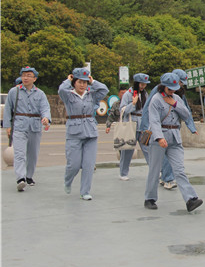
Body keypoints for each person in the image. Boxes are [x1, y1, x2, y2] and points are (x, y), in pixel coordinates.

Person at [143, 73, 203, 212]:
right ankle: (150, 198)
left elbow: (186, 115)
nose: (172, 91)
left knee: (179, 169)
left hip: (175, 137)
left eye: (174, 88)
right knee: (155, 169)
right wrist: (159, 137)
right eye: (169, 89)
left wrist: (175, 104)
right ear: (163, 86)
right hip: (160, 138)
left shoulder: (176, 98)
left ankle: (190, 199)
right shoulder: (156, 100)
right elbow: (154, 121)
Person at [139, 69, 197, 190]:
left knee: (175, 162)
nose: (180, 86)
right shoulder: (158, 92)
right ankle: (166, 179)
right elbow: (148, 109)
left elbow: (185, 110)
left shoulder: (177, 92)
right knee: (160, 160)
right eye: (181, 82)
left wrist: (191, 126)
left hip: (174, 130)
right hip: (160, 131)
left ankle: (168, 179)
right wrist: (145, 127)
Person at [59, 68, 108, 200]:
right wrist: (67, 80)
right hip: (74, 132)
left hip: (90, 132)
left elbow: (104, 90)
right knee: (73, 164)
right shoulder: (68, 95)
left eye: (85, 82)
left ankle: (85, 191)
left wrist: (93, 81)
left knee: (89, 164)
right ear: (74, 82)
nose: (82, 85)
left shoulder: (91, 94)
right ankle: (68, 181)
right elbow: (61, 90)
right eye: (80, 82)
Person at [3, 66, 51, 191]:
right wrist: (8, 126)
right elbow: (8, 109)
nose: (25, 77)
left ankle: (29, 176)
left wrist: (46, 118)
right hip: (19, 125)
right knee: (19, 154)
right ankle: (20, 178)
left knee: (33, 154)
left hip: (35, 126)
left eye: (29, 75)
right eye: (24, 75)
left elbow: (45, 108)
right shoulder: (14, 92)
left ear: (34, 78)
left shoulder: (40, 94)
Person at [117, 73, 151, 180]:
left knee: (147, 148)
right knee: (127, 150)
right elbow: (122, 110)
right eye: (141, 84)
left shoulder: (146, 94)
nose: (143, 86)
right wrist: (133, 104)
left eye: (145, 84)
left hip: (143, 125)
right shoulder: (128, 94)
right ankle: (123, 173)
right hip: (131, 124)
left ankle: (155, 170)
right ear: (136, 83)